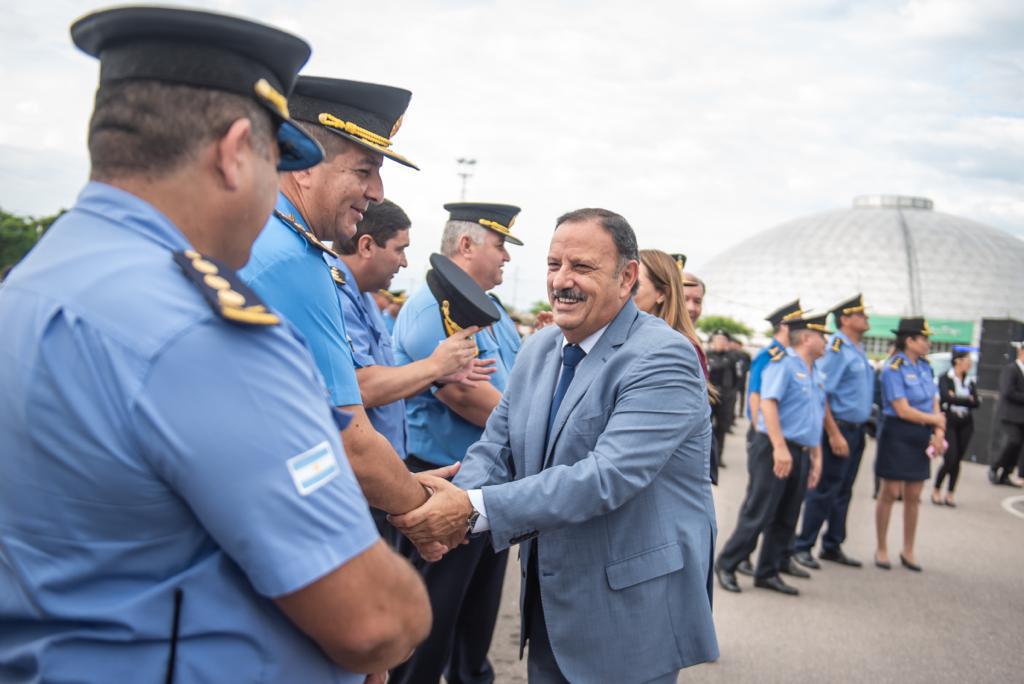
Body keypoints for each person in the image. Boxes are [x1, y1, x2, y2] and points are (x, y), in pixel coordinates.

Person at [0, 7, 431, 682]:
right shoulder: (199, 331)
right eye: (275, 162)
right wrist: (405, 609)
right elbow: (374, 620)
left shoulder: (34, 283)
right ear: (234, 153)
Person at [391, 207, 718, 683]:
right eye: (553, 265)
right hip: (553, 604)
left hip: (628, 614)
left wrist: (470, 510)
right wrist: (452, 510)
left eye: (581, 267)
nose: (562, 280)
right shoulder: (540, 348)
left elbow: (606, 477)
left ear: (627, 277)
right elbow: (498, 446)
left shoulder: (664, 356)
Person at [239, 76, 459, 558]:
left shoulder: (254, 234)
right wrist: (422, 513)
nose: (377, 192)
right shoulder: (294, 260)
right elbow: (350, 440)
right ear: (302, 165)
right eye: (364, 170)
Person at [389, 202, 523, 684]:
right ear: (466, 244)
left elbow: (518, 379)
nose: (507, 257)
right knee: (431, 622)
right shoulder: (437, 307)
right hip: (447, 481)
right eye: (501, 244)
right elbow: (466, 397)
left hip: (487, 485)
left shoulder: (491, 309)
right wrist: (540, 433)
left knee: (476, 619)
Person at [329, 199, 492, 535]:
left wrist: (438, 374)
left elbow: (387, 382)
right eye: (399, 249)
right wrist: (434, 366)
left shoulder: (363, 296)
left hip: (384, 474)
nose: (404, 262)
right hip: (356, 481)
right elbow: (360, 387)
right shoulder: (335, 294)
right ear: (367, 246)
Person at [715, 312, 827, 597]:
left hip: (800, 450)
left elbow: (812, 416)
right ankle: (727, 564)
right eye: (822, 335)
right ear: (806, 338)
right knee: (760, 511)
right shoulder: (783, 364)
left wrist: (816, 456)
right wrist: (779, 447)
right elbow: (768, 404)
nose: (826, 341)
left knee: (787, 515)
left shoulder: (815, 371)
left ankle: (768, 571)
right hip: (776, 448)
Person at [793, 294, 875, 570]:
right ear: (845, 319)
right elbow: (822, 392)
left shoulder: (856, 348)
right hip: (838, 428)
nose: (867, 319)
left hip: (856, 430)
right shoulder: (837, 348)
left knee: (844, 490)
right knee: (824, 489)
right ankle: (803, 545)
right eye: (861, 315)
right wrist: (833, 433)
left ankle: (832, 544)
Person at [732, 299, 801, 577]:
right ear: (784, 325)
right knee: (759, 500)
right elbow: (756, 394)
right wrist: (761, 431)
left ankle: (774, 555)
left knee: (778, 503)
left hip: (779, 434)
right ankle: (742, 556)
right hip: (766, 434)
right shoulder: (771, 354)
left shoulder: (789, 355)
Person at [874, 317, 944, 572]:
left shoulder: (926, 367)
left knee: (914, 494)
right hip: (897, 433)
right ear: (910, 341)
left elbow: (934, 401)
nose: (928, 343)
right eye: (923, 339)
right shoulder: (893, 367)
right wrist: (935, 420)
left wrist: (938, 431)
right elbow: (901, 409)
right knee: (890, 492)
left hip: (921, 433)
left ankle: (908, 549)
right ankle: (882, 547)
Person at [634, 248, 708, 379]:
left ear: (663, 294)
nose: (690, 308)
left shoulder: (675, 349)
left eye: (635, 284)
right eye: (684, 299)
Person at [933, 349, 980, 505]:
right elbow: (946, 398)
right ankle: (937, 488)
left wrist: (958, 398)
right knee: (950, 458)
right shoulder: (945, 378)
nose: (969, 364)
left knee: (958, 459)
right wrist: (967, 399)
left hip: (965, 422)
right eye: (967, 361)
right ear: (958, 361)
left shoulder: (969, 381)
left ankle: (950, 492)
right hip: (950, 421)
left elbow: (976, 402)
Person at [988, 341, 1024, 487]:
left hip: (1022, 417)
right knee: (1012, 442)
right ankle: (994, 467)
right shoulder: (1011, 369)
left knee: (1018, 446)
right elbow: (1008, 391)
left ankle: (1006, 473)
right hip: (1010, 415)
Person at [708, 329, 739, 474]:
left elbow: (737, 376)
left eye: (723, 340)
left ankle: (718, 457)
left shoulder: (731, 357)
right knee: (706, 427)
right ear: (713, 342)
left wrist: (731, 393)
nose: (720, 342)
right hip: (709, 398)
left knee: (721, 428)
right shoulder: (707, 355)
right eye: (718, 340)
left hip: (725, 398)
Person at [731, 337, 752, 419]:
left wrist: (744, 370)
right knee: (734, 397)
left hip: (742, 378)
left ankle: (741, 412)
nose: (735, 346)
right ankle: (732, 414)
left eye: (737, 345)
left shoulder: (745, 354)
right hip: (734, 379)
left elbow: (750, 364)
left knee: (742, 396)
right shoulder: (731, 354)